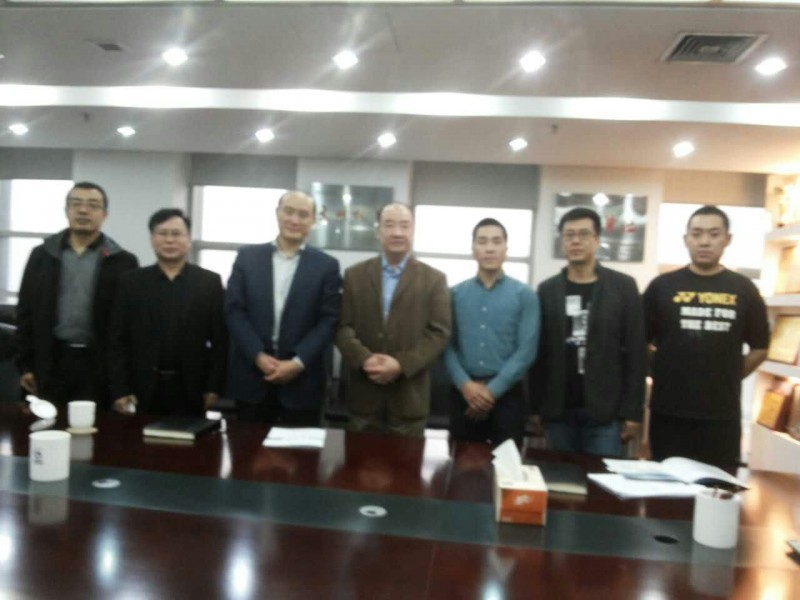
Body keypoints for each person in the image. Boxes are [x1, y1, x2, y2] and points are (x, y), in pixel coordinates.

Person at [644, 205, 769, 471]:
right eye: (697, 233)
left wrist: (729, 373)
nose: (704, 241)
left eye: (713, 234)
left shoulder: (744, 288)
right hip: (669, 412)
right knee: (667, 487)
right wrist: (663, 370)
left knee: (718, 487)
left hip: (721, 414)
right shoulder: (661, 286)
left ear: (727, 239)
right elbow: (639, 342)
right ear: (685, 239)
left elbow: (760, 347)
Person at [531, 207, 646, 456]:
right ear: (562, 240)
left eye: (583, 234)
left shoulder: (623, 287)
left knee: (601, 479)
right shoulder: (547, 290)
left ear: (596, 239)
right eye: (569, 235)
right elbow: (539, 354)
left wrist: (632, 412)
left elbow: (636, 353)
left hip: (606, 413)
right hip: (559, 411)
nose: (575, 241)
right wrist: (535, 408)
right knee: (561, 478)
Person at [15, 181, 138, 406]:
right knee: (49, 423)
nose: (83, 210)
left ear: (104, 215)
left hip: (100, 366)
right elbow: (25, 313)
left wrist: (123, 381)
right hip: (52, 362)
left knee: (100, 426)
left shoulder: (123, 261)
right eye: (76, 203)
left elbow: (129, 326)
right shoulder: (42, 255)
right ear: (66, 210)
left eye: (92, 205)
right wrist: (25, 365)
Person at [225, 190, 341, 425]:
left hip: (303, 381)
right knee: (248, 446)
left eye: (303, 214)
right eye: (288, 211)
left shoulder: (326, 266)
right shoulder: (247, 257)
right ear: (277, 214)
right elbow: (234, 311)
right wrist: (258, 355)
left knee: (299, 448)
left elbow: (329, 320)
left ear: (313, 221)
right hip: (252, 376)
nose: (295, 220)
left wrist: (297, 363)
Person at [336, 203, 451, 437]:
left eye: (404, 226)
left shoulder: (434, 279)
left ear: (413, 231)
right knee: (359, 460)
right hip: (364, 396)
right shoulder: (354, 275)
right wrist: (365, 359)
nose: (397, 232)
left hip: (409, 399)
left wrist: (401, 364)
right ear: (378, 232)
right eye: (389, 225)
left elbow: (439, 333)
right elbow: (342, 326)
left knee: (406, 461)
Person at [108, 209, 227, 416]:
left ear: (188, 240)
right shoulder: (131, 282)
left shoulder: (209, 283)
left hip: (192, 388)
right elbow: (116, 340)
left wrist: (213, 387)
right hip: (141, 388)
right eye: (162, 233)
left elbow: (221, 341)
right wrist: (120, 388)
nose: (169, 240)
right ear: (152, 239)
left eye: (176, 234)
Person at [444, 218, 540, 447]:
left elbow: (526, 350)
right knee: (462, 463)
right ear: (473, 249)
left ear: (506, 249)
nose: (489, 248)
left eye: (496, 242)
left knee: (506, 465)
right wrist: (466, 386)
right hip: (463, 395)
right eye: (482, 241)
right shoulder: (454, 294)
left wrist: (491, 392)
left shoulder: (525, 295)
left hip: (508, 397)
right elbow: (446, 346)